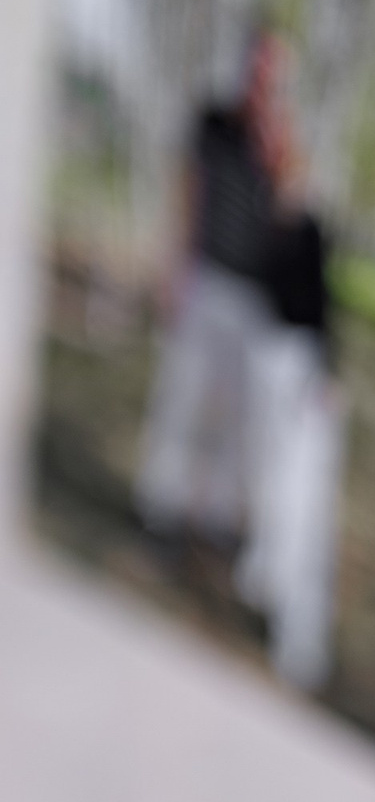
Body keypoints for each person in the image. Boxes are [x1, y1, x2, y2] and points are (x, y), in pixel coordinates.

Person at [136, 35, 285, 544]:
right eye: (257, 69)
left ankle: (216, 518)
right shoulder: (212, 123)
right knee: (180, 396)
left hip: (253, 298)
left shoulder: (278, 143)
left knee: (234, 415)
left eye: (272, 75)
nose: (262, 81)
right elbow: (186, 196)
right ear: (244, 69)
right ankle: (161, 505)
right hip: (206, 278)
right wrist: (174, 272)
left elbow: (288, 215)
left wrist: (276, 158)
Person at [235, 192, 346, 692]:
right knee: (271, 486)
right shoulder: (268, 218)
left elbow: (322, 301)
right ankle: (266, 583)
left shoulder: (306, 227)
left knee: (301, 502)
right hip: (273, 356)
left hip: (300, 367)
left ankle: (298, 637)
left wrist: (325, 370)